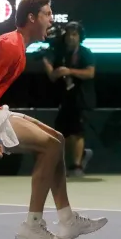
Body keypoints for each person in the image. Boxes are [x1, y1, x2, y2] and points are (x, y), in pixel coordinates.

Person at [0, 0, 107, 239]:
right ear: (31, 18)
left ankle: (67, 219)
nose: (52, 20)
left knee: (57, 139)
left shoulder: (15, 46)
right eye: (47, 14)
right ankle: (33, 226)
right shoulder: (9, 46)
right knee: (50, 146)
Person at [42, 21, 96, 177]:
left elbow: (90, 73)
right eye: (69, 35)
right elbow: (53, 76)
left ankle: (77, 166)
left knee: (77, 132)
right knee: (63, 131)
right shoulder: (59, 54)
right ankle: (81, 156)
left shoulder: (86, 53)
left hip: (82, 98)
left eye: (74, 34)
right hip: (66, 98)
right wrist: (47, 63)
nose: (71, 38)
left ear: (80, 37)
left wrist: (69, 71)